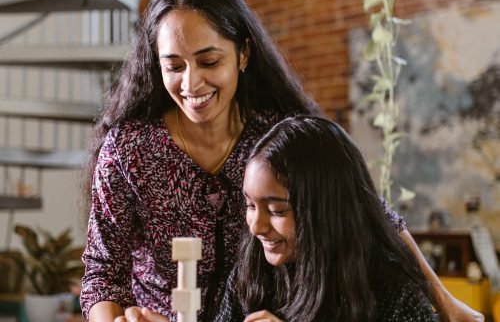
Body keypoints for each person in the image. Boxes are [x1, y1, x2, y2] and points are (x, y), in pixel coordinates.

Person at [81, 0, 484, 321]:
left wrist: (445, 302)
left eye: (208, 61)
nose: (191, 82)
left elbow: (364, 208)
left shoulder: (274, 135)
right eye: (173, 66)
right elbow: (102, 273)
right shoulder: (130, 149)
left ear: (243, 54)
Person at [117, 116, 436, 322]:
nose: (256, 227)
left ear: (327, 209)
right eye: (250, 205)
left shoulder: (395, 293)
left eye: (277, 210)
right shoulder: (254, 271)